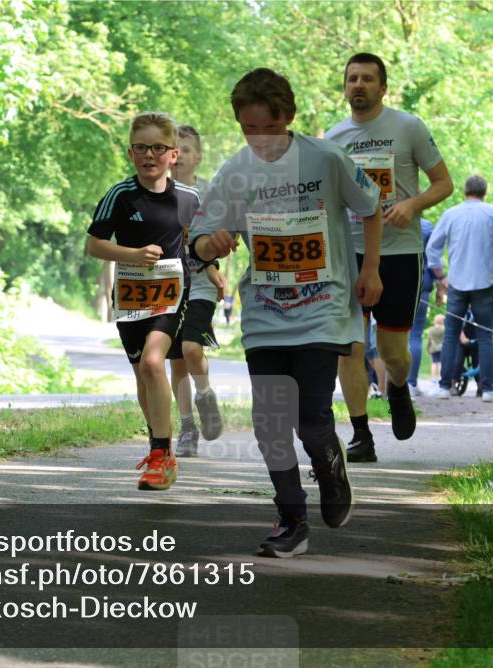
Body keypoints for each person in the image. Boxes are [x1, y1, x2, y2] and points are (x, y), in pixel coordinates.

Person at [190, 67, 383, 558]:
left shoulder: (326, 157)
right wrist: (208, 242)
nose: (260, 141)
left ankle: (331, 468)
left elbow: (371, 207)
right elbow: (201, 237)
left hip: (324, 307)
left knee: (311, 419)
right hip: (265, 313)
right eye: (248, 130)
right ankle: (292, 518)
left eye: (268, 129)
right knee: (271, 421)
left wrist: (372, 270)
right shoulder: (236, 171)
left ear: (289, 117)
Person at [325, 52, 453, 463]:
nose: (358, 85)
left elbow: (444, 183)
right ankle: (361, 433)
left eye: (367, 79)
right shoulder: (333, 138)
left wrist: (412, 205)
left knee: (393, 351)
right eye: (352, 79)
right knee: (350, 347)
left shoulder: (408, 127)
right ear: (344, 87)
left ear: (383, 87)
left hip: (400, 252)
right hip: (351, 252)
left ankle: (398, 387)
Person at [87, 111, 199, 490]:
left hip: (172, 294)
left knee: (154, 361)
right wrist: (131, 255)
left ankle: (160, 454)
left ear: (173, 155)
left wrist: (212, 263)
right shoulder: (120, 196)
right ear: (130, 153)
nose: (149, 154)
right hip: (133, 296)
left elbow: (202, 241)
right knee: (143, 374)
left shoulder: (189, 197)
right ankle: (160, 449)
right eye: (141, 148)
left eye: (158, 147)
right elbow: (94, 245)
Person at [426, 175, 493, 402]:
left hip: (456, 283)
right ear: (485, 191)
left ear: (465, 191)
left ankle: (445, 387)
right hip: (485, 283)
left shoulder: (451, 214)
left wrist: (441, 278)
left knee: (451, 335)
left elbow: (432, 249)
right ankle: (488, 389)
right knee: (486, 336)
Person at [169, 124, 225, 457]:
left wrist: (215, 269)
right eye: (174, 149)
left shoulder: (209, 194)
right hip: (167, 287)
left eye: (186, 149)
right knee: (176, 362)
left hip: (201, 283)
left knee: (192, 348)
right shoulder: (157, 193)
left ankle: (205, 394)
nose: (179, 156)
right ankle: (187, 426)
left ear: (198, 157)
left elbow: (215, 239)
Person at [407, 218, 435, 396]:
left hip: (392, 282)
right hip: (420, 281)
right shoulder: (425, 226)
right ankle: (411, 383)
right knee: (415, 335)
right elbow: (432, 257)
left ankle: (387, 383)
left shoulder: (388, 219)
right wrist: (440, 281)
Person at [365, 312, 388, 402]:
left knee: (376, 350)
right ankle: (383, 388)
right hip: (368, 314)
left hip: (378, 313)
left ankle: (382, 390)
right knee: (369, 352)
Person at [426, 314, 445, 384]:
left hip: (433, 349)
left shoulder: (431, 330)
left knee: (434, 363)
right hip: (442, 348)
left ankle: (433, 378)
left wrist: (428, 348)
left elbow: (429, 340)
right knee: (440, 363)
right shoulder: (444, 329)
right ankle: (440, 377)